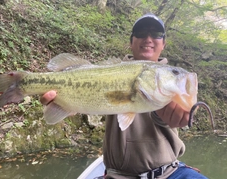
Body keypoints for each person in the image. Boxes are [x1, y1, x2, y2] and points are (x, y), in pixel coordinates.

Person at [40, 13, 208, 179]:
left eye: (156, 34)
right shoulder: (112, 72)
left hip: (170, 173)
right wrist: (69, 106)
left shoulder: (170, 82)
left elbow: (181, 112)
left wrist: (180, 115)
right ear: (131, 42)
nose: (148, 39)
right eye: (141, 33)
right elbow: (93, 99)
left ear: (163, 43)